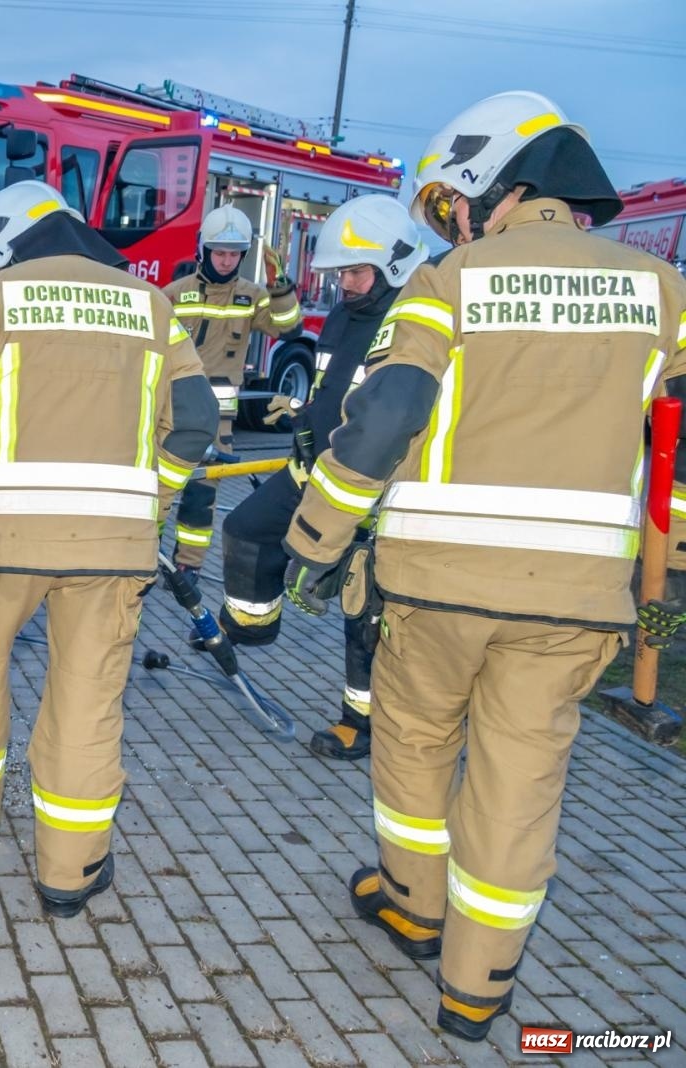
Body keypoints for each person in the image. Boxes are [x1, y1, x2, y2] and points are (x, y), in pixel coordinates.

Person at [279, 91, 686, 1042]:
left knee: (415, 744)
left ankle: (413, 905)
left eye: (450, 204)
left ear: (492, 184)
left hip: (436, 590)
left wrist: (315, 542)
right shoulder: (663, 291)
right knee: (520, 782)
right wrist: (667, 583)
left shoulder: (448, 282)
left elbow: (384, 421)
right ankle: (478, 985)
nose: (451, 224)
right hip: (578, 602)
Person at [0, 180, 218, 917]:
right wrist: (153, 501)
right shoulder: (152, 305)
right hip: (113, 550)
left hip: (2, 545)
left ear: (2, 244)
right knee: (87, 698)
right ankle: (70, 871)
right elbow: (196, 419)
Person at [217, 195, 428, 761]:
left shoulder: (413, 323)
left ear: (395, 263)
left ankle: (361, 722)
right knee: (245, 528)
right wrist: (301, 417)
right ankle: (252, 625)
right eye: (340, 273)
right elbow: (331, 390)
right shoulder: (342, 316)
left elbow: (393, 416)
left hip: (369, 486)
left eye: (356, 272)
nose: (345, 284)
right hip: (313, 469)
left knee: (364, 608)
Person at [162, 205, 302, 571]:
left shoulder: (253, 296)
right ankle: (145, 558)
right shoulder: (174, 294)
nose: (226, 261)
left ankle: (188, 567)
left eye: (234, 254)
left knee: (201, 497)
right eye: (219, 253)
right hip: (171, 411)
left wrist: (279, 286)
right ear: (204, 250)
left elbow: (289, 329)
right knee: (157, 491)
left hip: (217, 420)